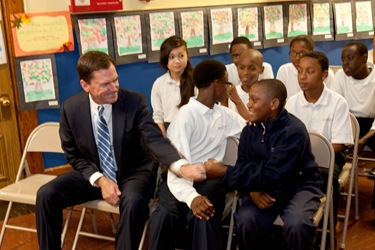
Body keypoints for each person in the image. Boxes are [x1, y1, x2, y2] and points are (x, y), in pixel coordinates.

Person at [35, 51, 205, 250]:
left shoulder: (133, 102)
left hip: (134, 173)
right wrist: (100, 179)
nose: (114, 87)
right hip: (95, 173)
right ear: (85, 85)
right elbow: (73, 155)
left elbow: (154, 138)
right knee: (46, 194)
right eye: (105, 84)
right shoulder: (70, 109)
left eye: (115, 80)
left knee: (132, 201)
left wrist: (180, 166)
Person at [205, 79, 324, 250]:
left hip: (297, 186)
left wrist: (224, 171)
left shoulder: (293, 131)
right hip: (261, 187)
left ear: (274, 104)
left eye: (254, 100)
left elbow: (273, 173)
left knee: (298, 225)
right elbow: (244, 165)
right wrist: (252, 192)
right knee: (246, 220)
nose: (248, 104)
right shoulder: (250, 129)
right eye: (249, 99)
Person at [149, 59, 245, 250]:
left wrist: (239, 103)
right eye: (226, 83)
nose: (229, 88)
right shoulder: (185, 116)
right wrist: (192, 198)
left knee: (205, 215)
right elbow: (177, 165)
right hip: (179, 179)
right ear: (216, 84)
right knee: (164, 215)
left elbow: (250, 131)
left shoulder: (225, 115)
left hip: (209, 181)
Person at [285, 51, 353, 228]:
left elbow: (338, 144)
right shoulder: (292, 102)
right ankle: (295, 217)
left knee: (328, 178)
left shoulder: (338, 103)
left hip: (330, 156)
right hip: (299, 156)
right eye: (300, 71)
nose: (303, 76)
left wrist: (310, 154)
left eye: (310, 71)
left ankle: (327, 228)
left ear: (324, 75)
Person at [330, 41, 375, 211]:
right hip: (347, 121)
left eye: (350, 58)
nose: (344, 63)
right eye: (342, 59)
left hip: (371, 126)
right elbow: (336, 107)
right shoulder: (341, 76)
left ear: (364, 58)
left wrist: (362, 139)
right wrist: (347, 135)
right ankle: (330, 191)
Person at [151, 35, 195, 137]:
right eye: (171, 57)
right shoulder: (159, 84)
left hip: (192, 130)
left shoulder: (196, 80)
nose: (177, 61)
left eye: (181, 56)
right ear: (165, 60)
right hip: (169, 130)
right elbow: (158, 117)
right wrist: (164, 141)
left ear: (187, 56)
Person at [227, 48, 264, 120]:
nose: (245, 72)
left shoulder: (266, 93)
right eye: (241, 67)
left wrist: (237, 100)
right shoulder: (233, 92)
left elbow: (254, 122)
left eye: (252, 68)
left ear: (261, 70)